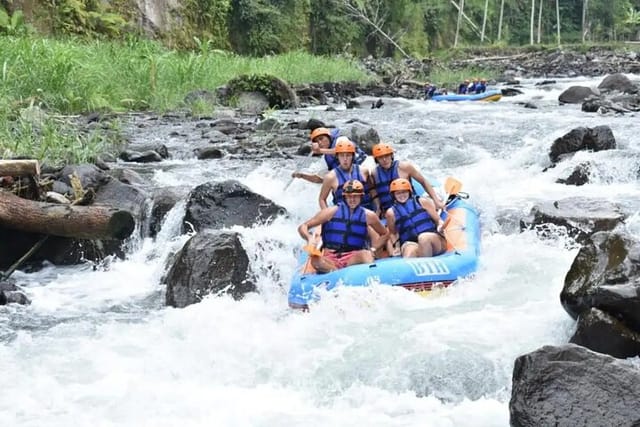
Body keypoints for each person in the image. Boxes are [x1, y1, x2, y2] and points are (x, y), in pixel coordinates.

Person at [298, 180, 389, 272]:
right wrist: (309, 238)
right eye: (349, 196)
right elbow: (303, 226)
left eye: (355, 196)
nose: (352, 199)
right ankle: (336, 273)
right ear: (344, 197)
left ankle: (370, 275)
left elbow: (385, 234)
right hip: (330, 257)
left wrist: (374, 249)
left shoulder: (369, 216)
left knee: (367, 254)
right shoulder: (330, 212)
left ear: (361, 196)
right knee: (315, 260)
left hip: (352, 257)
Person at [369, 142, 445, 215]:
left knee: (428, 205)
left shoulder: (404, 167)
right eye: (381, 157)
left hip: (411, 206)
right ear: (376, 160)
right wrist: (378, 208)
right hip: (390, 211)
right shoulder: (374, 173)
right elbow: (375, 194)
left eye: (387, 156)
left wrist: (436, 201)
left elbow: (423, 182)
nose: (384, 160)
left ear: (391, 155)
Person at [385, 178, 446, 258]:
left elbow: (438, 220)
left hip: (433, 240)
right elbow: (393, 233)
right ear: (393, 195)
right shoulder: (390, 213)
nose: (402, 195)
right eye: (398, 193)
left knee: (423, 238)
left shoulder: (423, 202)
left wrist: (440, 226)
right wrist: (396, 246)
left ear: (409, 192)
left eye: (404, 192)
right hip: (412, 243)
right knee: (409, 250)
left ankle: (427, 264)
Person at [291, 127, 368, 184]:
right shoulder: (325, 158)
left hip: (364, 166)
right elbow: (320, 179)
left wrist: (320, 150)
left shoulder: (341, 139)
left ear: (329, 137)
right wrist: (302, 176)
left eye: (321, 139)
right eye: (317, 142)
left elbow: (343, 151)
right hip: (350, 176)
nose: (320, 143)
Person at [318, 137, 373, 210]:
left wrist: (378, 208)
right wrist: (327, 215)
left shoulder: (364, 171)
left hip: (365, 213)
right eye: (342, 155)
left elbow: (372, 190)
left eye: (348, 155)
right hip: (344, 217)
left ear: (352, 156)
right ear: (337, 157)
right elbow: (322, 199)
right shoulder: (330, 177)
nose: (345, 159)